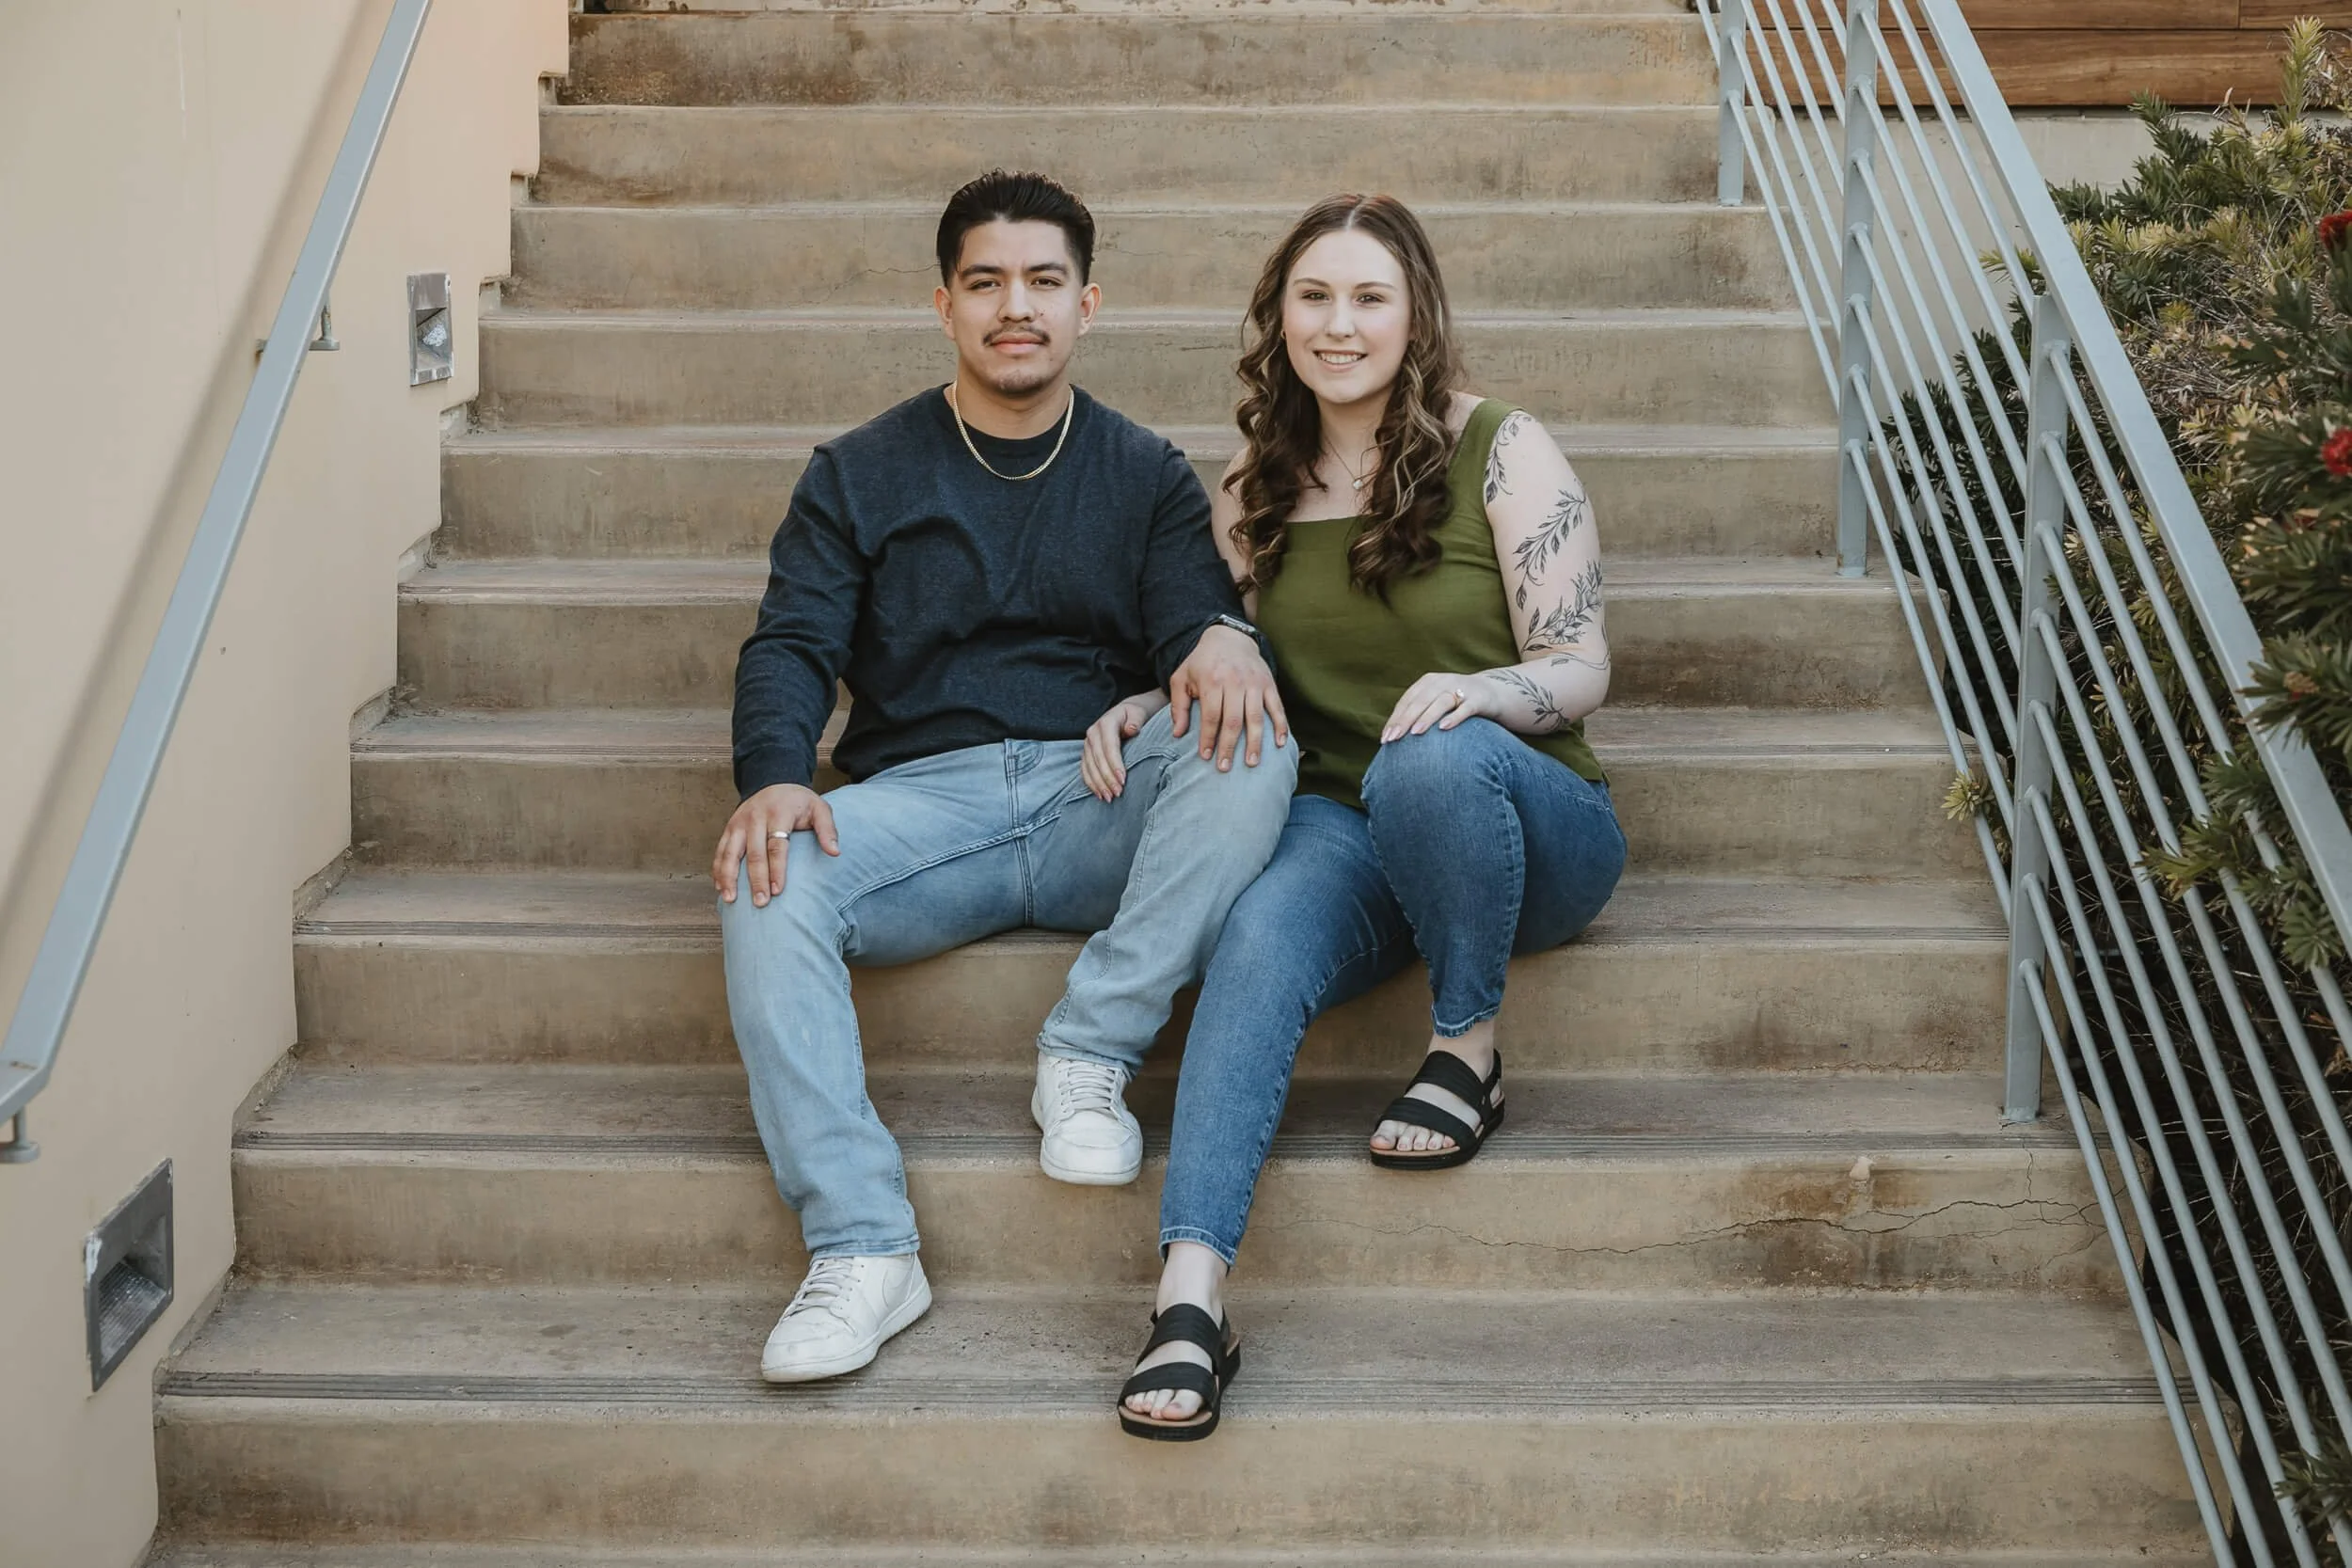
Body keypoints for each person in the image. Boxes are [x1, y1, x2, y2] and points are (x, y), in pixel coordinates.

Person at [715, 170, 1297, 1385]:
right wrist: (773, 775)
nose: (1015, 307)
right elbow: (792, 643)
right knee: (766, 876)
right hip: (926, 810)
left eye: (1043, 282)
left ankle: (1088, 1051)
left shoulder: (1142, 473)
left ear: (1091, 305)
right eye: (986, 283)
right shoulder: (861, 471)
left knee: (1254, 735)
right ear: (945, 306)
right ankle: (865, 1247)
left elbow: (1193, 616)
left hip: (1101, 797)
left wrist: (1223, 639)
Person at [1111, 196, 1628, 1439]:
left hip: (1521, 815)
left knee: (1430, 759)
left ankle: (1469, 1048)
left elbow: (1581, 665)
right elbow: (1232, 654)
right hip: (1346, 825)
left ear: (1416, 315)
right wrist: (1146, 701)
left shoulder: (1501, 450)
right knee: (1253, 941)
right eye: (1315, 297)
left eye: (1369, 298)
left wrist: (1477, 691)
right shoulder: (1250, 487)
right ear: (1277, 316)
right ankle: (1192, 1300)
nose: (1340, 325)